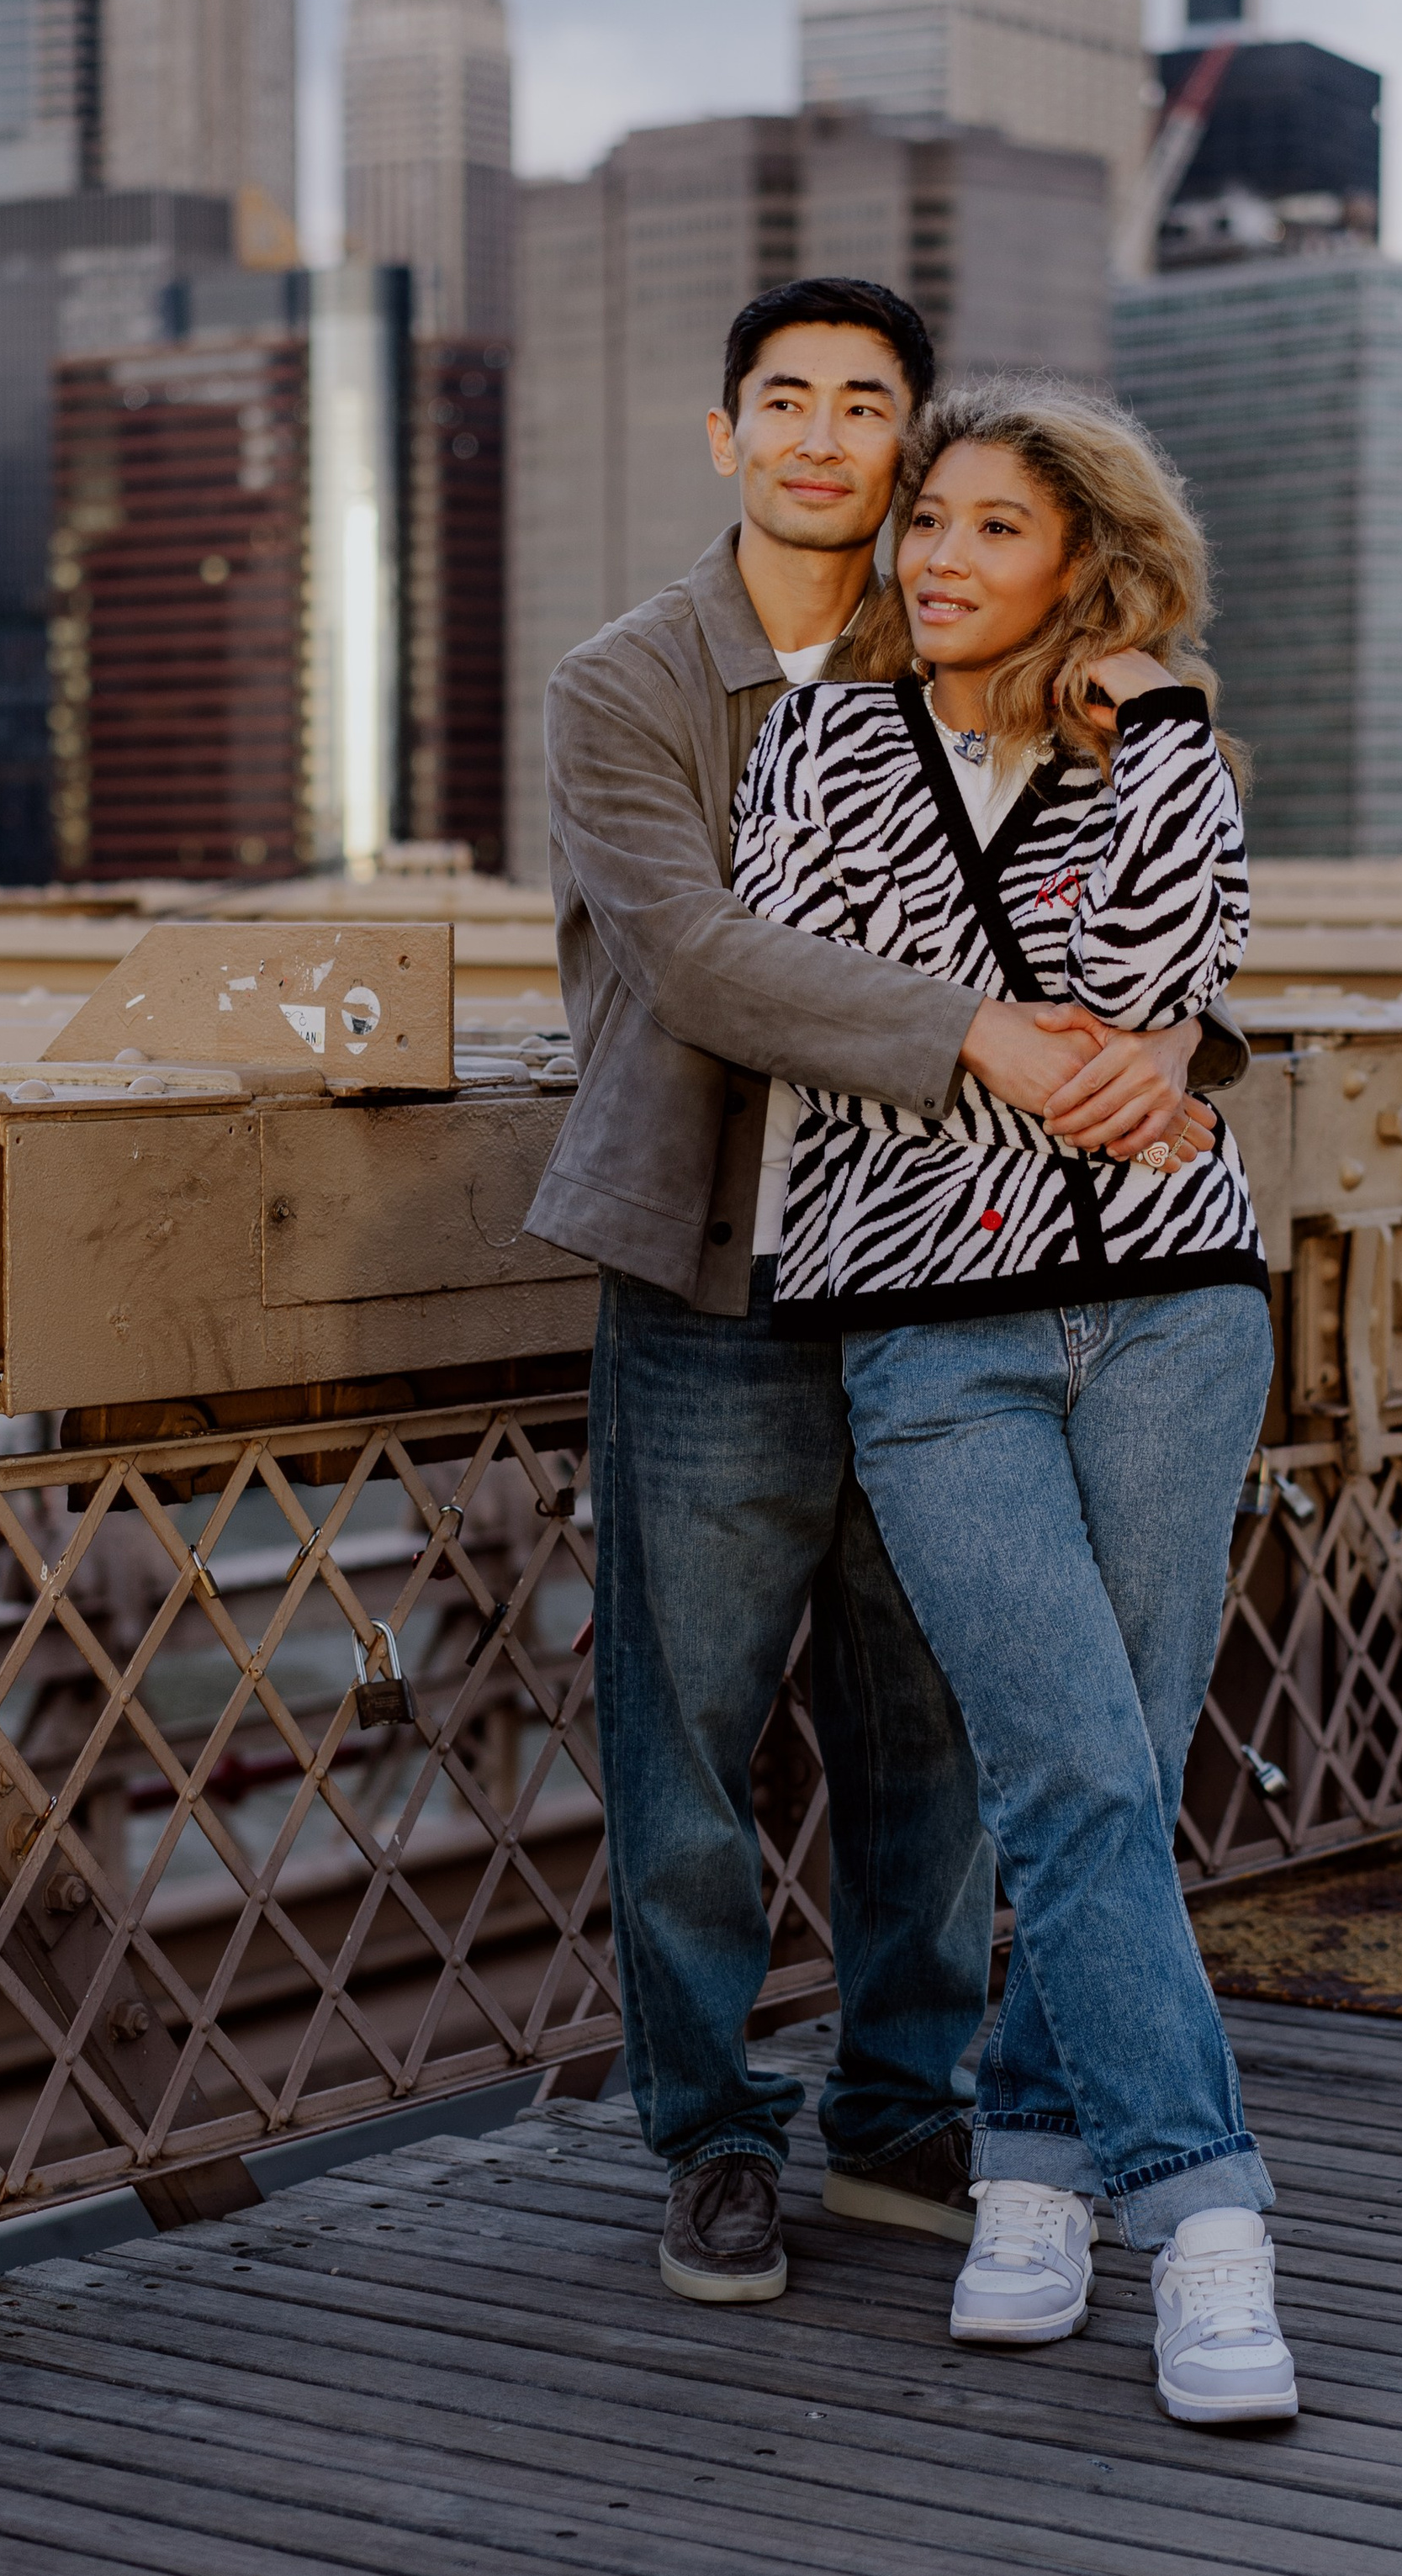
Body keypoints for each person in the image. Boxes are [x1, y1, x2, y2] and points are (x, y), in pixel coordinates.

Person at [527, 278, 1247, 2309]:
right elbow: (698, 958)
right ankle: (709, 2132)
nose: (825, 441)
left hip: (952, 1269)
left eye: (867, 408)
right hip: (717, 1261)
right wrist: (987, 1040)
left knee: (927, 1716)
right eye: (785, 400)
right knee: (687, 1721)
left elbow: (1113, 902)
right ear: (724, 434)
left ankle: (901, 2099)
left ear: (914, 448)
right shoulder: (627, 682)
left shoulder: (987, 643)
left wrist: (1164, 1039)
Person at [730, 376, 1297, 2425]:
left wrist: (1154, 727)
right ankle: (1208, 2219)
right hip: (928, 1324)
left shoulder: (1160, 749)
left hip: (1170, 1305)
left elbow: (1151, 967)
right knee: (1062, 1762)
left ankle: (1037, 2173)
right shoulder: (822, 738)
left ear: (1083, 563)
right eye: (930, 521)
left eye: (996, 527)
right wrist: (1016, 1028)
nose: (942, 556)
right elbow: (817, 978)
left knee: (1110, 1771)